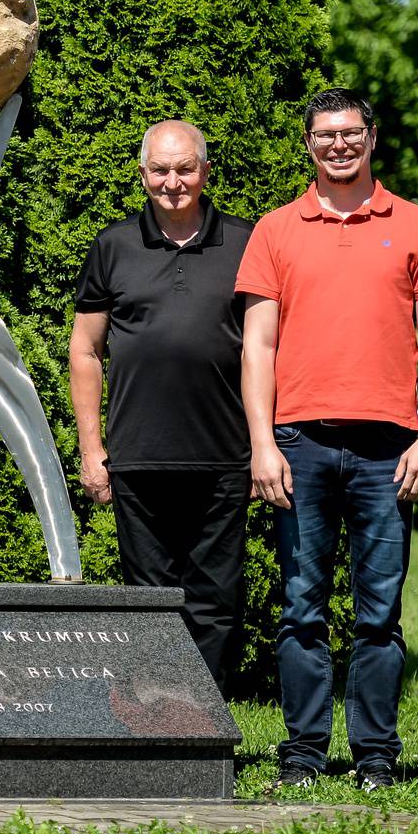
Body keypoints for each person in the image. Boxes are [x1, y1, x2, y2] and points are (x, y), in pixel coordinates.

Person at [235, 87, 418, 792]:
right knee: (301, 605)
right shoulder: (276, 229)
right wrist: (262, 444)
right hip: (298, 442)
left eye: (351, 132)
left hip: (389, 448)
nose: (339, 144)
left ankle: (375, 756)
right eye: (326, 134)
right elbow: (258, 345)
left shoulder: (416, 224)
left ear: (371, 138)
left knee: (380, 613)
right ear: (309, 143)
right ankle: (302, 754)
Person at [69, 119, 253, 695]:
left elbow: (270, 350)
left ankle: (204, 728)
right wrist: (92, 449)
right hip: (138, 458)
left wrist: (265, 449)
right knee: (147, 602)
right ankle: (155, 726)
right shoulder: (113, 246)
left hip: (225, 458)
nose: (173, 182)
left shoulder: (248, 243)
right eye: (160, 170)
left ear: (205, 169)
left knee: (215, 600)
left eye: (184, 168)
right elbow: (85, 349)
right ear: (143, 174)